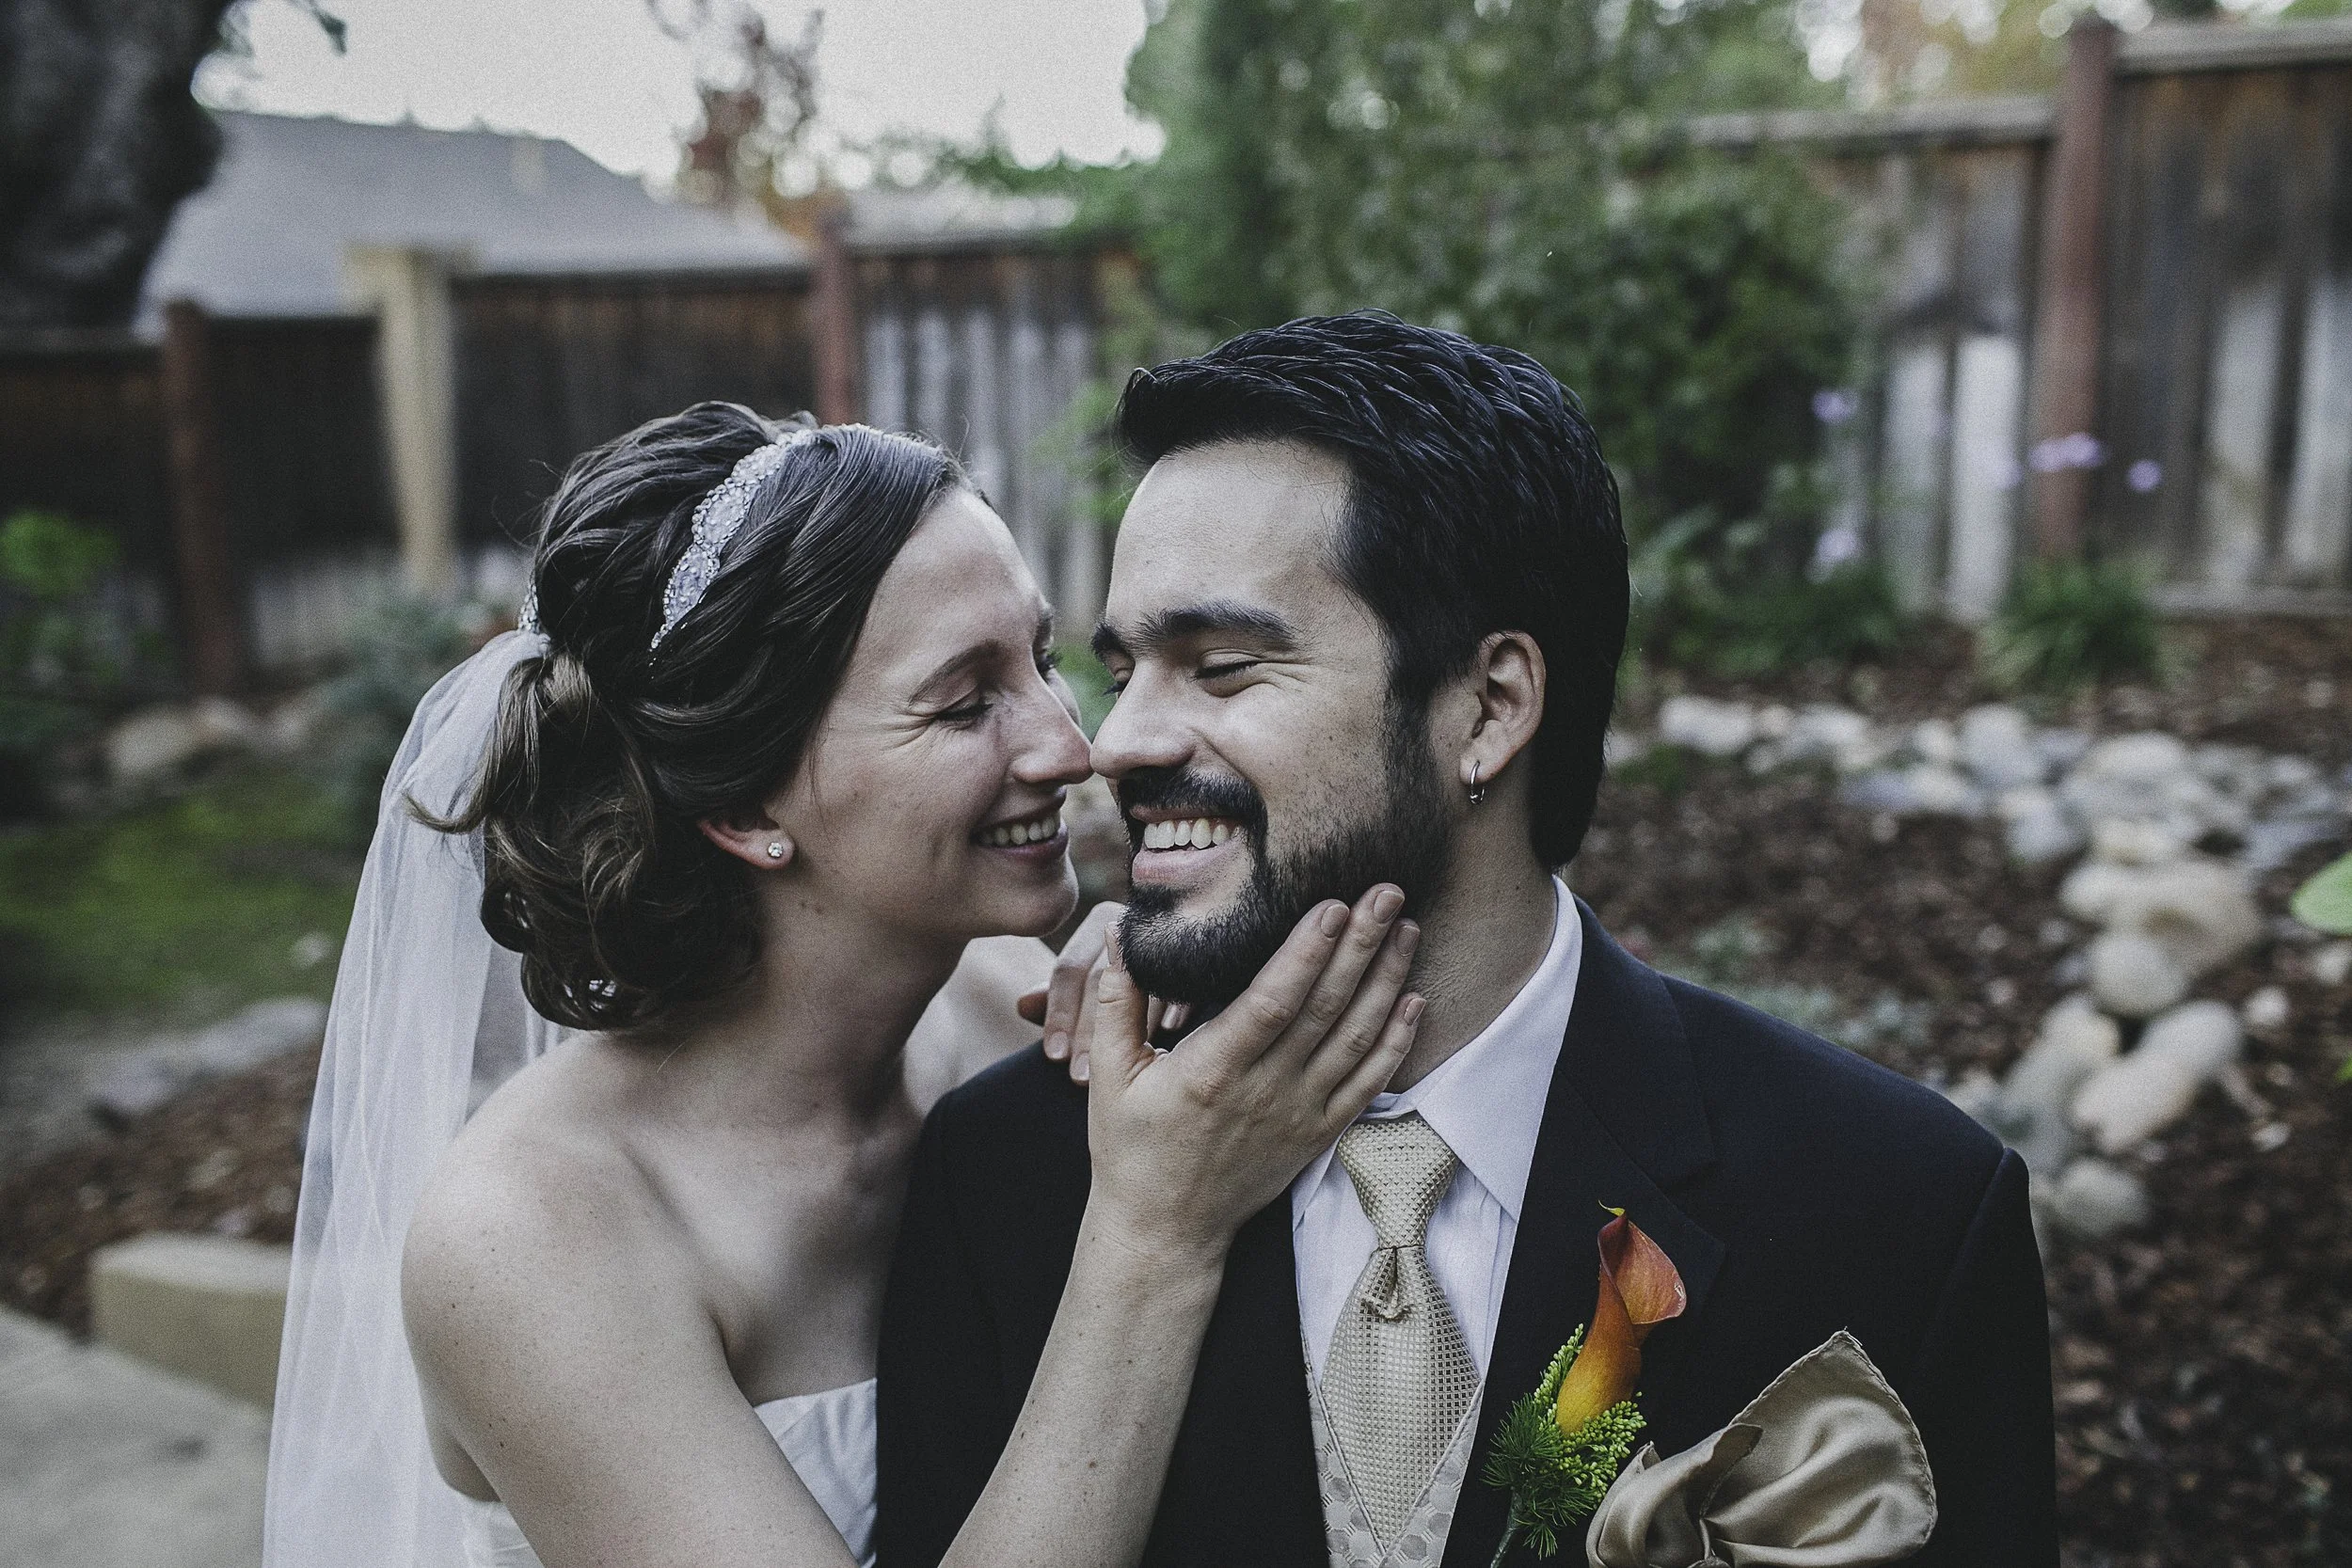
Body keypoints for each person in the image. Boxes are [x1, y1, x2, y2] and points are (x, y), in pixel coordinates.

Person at [876, 314, 2059, 1568]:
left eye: (1220, 668)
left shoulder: (1896, 1208)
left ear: (1489, 706)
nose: (1117, 741)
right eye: (1126, 668)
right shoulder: (1009, 1177)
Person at [261, 404, 1429, 1568]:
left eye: (1041, 658)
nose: (1072, 747)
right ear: (742, 807)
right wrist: (1156, 1235)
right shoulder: (528, 1236)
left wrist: (1157, 968)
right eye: (965, 701)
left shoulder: (1011, 1007)